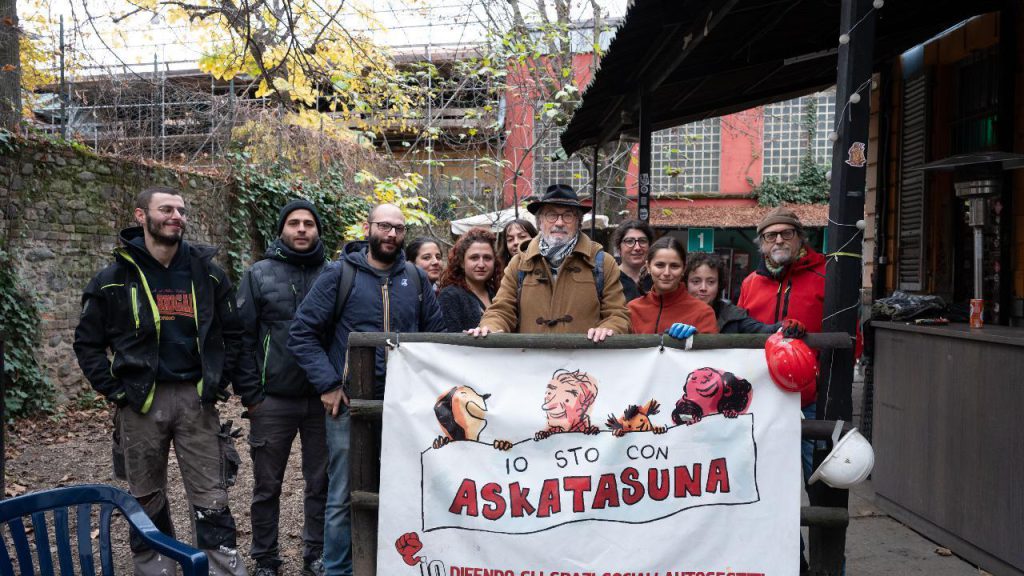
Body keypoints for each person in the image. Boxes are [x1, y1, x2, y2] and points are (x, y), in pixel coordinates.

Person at [73, 186, 254, 576]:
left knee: (212, 494)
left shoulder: (207, 273)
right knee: (145, 495)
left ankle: (222, 568)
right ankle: (156, 568)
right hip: (140, 401)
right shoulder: (112, 279)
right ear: (141, 216)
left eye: (182, 210)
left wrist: (217, 380)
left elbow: (233, 334)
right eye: (166, 209)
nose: (177, 216)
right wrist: (115, 390)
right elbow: (87, 344)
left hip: (196, 400)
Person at [288, 203, 446, 575]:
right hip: (349, 404)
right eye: (384, 227)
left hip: (403, 406)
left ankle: (393, 565)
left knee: (404, 486)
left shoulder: (416, 278)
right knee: (343, 493)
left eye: (399, 229)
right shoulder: (338, 275)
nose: (391, 235)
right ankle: (339, 570)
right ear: (368, 228)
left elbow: (435, 338)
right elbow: (301, 333)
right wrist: (327, 384)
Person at [236, 200, 329, 576]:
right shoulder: (259, 274)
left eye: (309, 223)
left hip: (323, 399)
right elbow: (241, 337)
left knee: (320, 482)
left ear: (318, 230)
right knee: (266, 485)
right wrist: (252, 396)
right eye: (294, 223)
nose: (302, 229)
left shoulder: (334, 273)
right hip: (272, 399)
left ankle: (316, 554)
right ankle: (265, 558)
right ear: (282, 230)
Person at [468, 184, 630, 342]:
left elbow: (618, 315)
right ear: (540, 222)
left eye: (567, 216)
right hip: (532, 362)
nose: (559, 223)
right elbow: (502, 310)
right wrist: (490, 327)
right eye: (551, 215)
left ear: (578, 222)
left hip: (582, 364)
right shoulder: (519, 263)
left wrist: (609, 328)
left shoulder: (602, 262)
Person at [738, 206, 825, 413]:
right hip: (759, 394)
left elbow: (850, 336)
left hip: (807, 397)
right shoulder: (750, 283)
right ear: (762, 243)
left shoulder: (825, 275)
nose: (779, 240)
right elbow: (739, 329)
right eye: (771, 235)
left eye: (787, 233)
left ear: (800, 238)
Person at [628, 236, 718, 335]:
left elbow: (709, 350)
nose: (666, 272)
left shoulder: (703, 312)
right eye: (660, 265)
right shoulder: (632, 309)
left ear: (684, 268)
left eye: (674, 266)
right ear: (648, 267)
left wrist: (697, 340)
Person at [685, 252, 780, 334]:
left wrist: (785, 327)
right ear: (685, 283)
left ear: (719, 284)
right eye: (696, 281)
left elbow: (764, 330)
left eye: (711, 282)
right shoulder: (672, 309)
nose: (703, 288)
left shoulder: (732, 316)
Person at [437, 228, 503, 333]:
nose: (481, 264)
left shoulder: (497, 293)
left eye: (487, 258)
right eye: (474, 258)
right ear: (462, 263)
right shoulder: (450, 296)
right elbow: (451, 342)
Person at [535, 369, 600, 440]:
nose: (551, 406)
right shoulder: (548, 433)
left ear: (584, 406)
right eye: (549, 393)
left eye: (567, 400)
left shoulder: (589, 433)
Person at [611, 219, 654, 302]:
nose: (637, 247)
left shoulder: (658, 279)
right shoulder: (610, 279)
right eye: (629, 241)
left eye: (642, 241)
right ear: (619, 247)